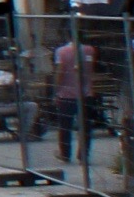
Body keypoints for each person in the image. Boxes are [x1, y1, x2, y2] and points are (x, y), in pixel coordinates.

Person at [38, 34, 93, 162]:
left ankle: (65, 153)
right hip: (85, 93)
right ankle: (84, 154)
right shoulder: (89, 50)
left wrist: (55, 91)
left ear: (67, 36)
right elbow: (89, 70)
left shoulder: (61, 52)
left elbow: (60, 72)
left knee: (65, 126)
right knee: (85, 126)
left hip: (66, 94)